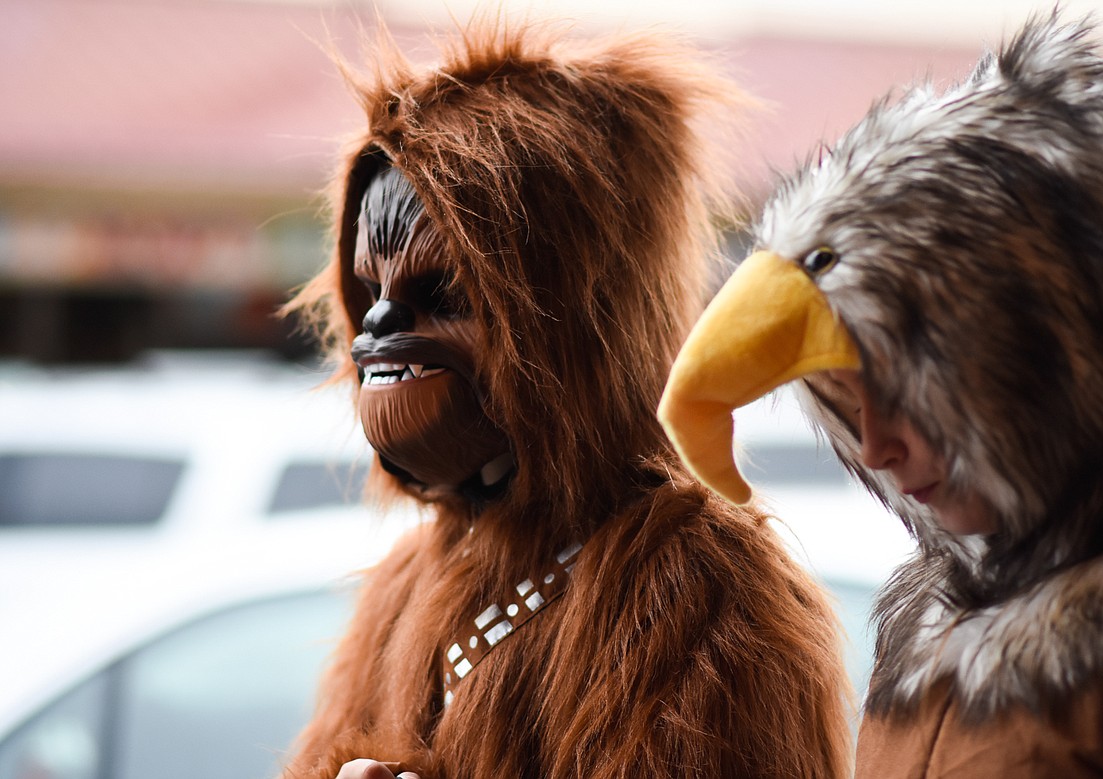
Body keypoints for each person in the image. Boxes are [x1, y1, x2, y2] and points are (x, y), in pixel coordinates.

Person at [280, 15, 854, 779]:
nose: (381, 323)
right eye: (371, 289)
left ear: (571, 323)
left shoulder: (698, 593)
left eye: (441, 290)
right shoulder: (410, 581)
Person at [658, 12, 1103, 778]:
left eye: (905, 390)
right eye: (839, 402)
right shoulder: (918, 626)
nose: (874, 446)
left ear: (1035, 359)